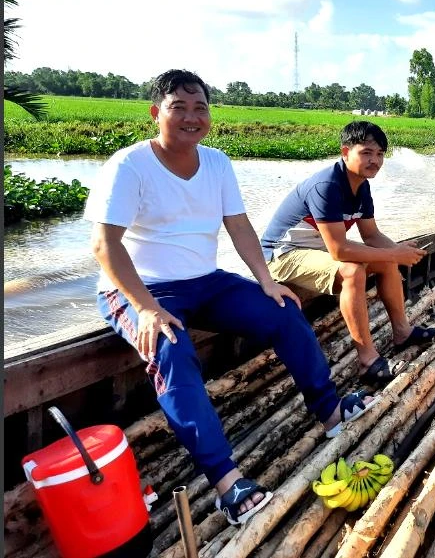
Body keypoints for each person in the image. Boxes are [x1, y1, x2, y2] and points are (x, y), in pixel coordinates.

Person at [84, 70, 376, 527]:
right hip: (141, 289)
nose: (191, 117)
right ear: (155, 112)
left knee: (283, 311)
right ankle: (227, 483)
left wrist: (266, 280)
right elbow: (105, 245)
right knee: (171, 349)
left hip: (205, 280)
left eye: (200, 108)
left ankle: (332, 412)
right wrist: (144, 307)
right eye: (179, 107)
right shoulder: (129, 165)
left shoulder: (217, 163)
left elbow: (239, 227)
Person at [261, 120, 435, 388]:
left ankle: (402, 332)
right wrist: (393, 254)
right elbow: (339, 249)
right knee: (353, 270)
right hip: (283, 253)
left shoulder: (361, 186)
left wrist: (401, 252)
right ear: (346, 152)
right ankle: (368, 361)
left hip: (316, 248)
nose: (375, 161)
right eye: (366, 153)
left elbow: (371, 236)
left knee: (385, 261)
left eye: (380, 154)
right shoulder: (327, 186)